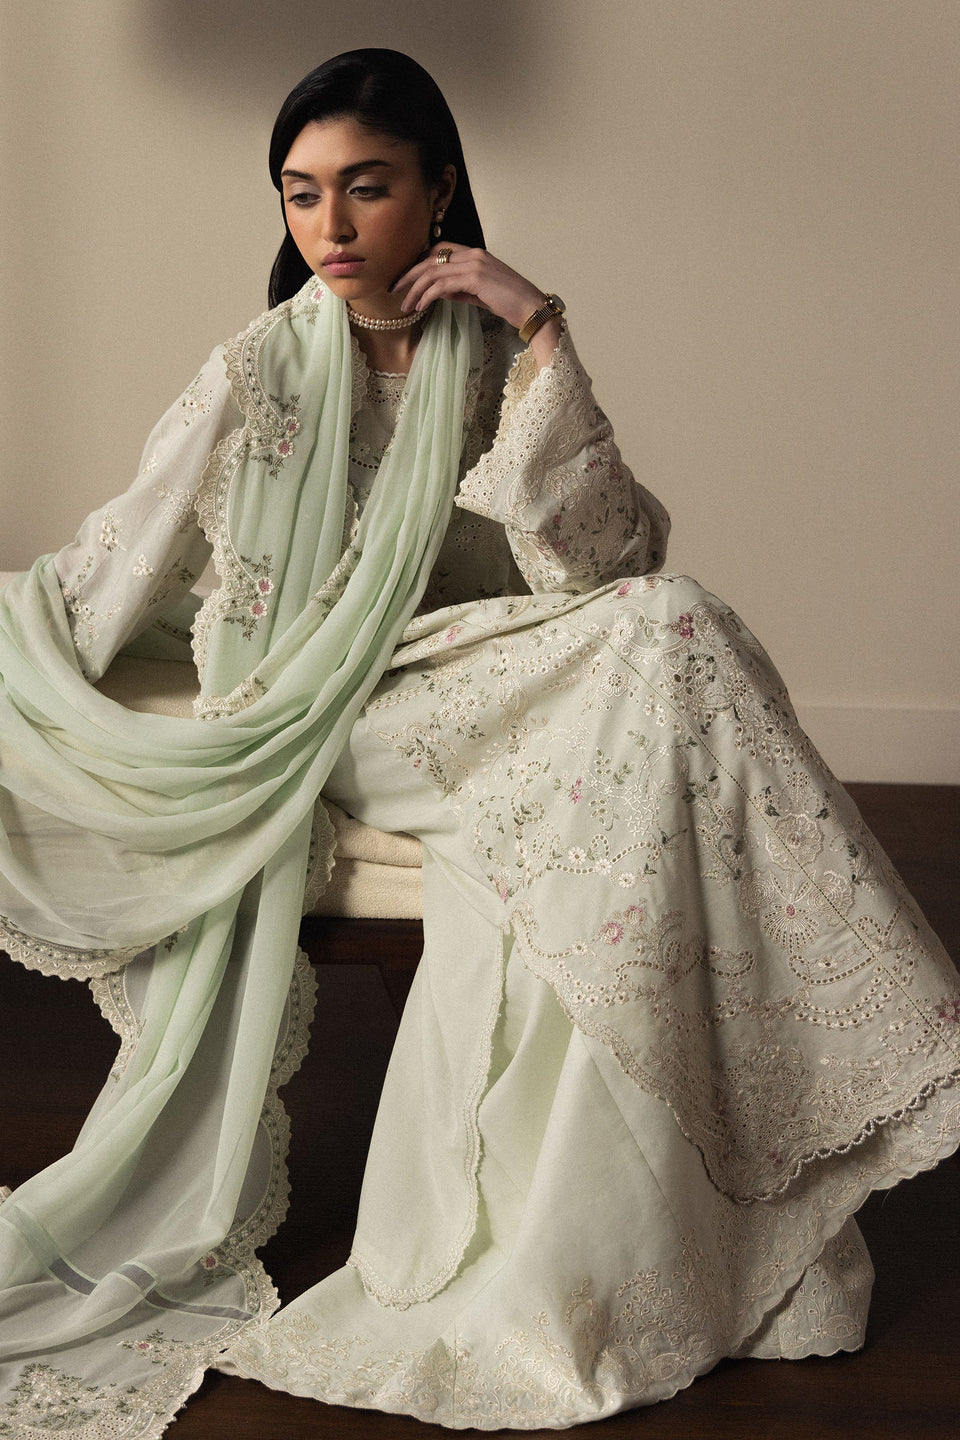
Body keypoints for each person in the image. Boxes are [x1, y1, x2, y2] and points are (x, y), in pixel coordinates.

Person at [0, 47, 957, 1437]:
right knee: (673, 635)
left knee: (672, 627)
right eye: (301, 193)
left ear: (439, 189)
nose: (329, 225)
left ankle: (753, 1150)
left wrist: (544, 329)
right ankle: (894, 1017)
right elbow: (114, 562)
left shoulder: (497, 355)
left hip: (481, 669)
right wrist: (25, 651)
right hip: (334, 710)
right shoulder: (259, 372)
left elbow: (605, 562)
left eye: (365, 186)